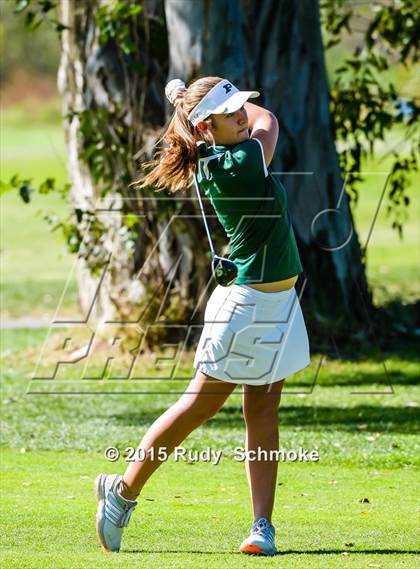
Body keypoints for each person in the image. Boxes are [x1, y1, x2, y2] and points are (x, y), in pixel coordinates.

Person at [94, 76, 311, 556]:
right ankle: (121, 492)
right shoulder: (238, 163)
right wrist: (192, 109)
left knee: (262, 411)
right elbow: (268, 120)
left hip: (277, 305)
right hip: (247, 307)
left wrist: (193, 109)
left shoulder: (219, 155)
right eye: (230, 112)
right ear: (207, 128)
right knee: (199, 406)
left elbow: (249, 121)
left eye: (239, 108)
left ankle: (261, 526)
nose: (241, 115)